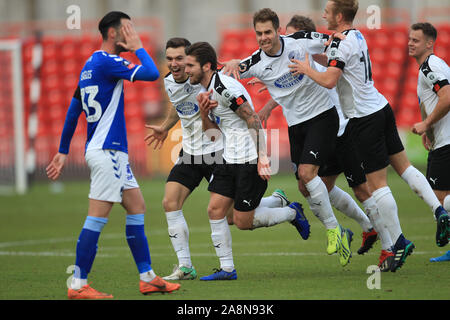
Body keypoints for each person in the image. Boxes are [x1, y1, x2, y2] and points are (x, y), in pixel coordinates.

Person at [288, 0, 450, 271]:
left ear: (339, 15)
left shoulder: (341, 43)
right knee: (404, 167)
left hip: (364, 119)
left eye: (327, 11)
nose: (324, 14)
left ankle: (398, 242)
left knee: (376, 186)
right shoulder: (356, 35)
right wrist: (314, 57)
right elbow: (337, 63)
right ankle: (438, 210)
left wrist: (305, 70)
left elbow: (329, 80)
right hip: (380, 106)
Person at [46, 11, 180, 298]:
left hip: (110, 152)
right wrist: (138, 46)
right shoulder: (107, 61)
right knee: (96, 217)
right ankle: (78, 285)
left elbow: (74, 109)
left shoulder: (89, 65)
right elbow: (152, 73)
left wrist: (62, 150)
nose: (130, 34)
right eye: (126, 30)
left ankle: (147, 277)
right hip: (107, 152)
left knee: (136, 206)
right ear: (112, 34)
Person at [144, 38, 291, 280]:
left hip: (218, 152)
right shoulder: (171, 81)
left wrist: (262, 154)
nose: (174, 64)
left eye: (180, 59)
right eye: (169, 59)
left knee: (235, 217)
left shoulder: (211, 83)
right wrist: (165, 126)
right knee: (170, 202)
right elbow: (177, 105)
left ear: (196, 63)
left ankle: (275, 202)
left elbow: (243, 106)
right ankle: (186, 267)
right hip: (190, 153)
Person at [222, 8, 353, 267]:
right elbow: (228, 76)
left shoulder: (300, 40)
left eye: (268, 32)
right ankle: (344, 231)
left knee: (307, 174)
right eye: (258, 33)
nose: (263, 37)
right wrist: (231, 65)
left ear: (278, 30)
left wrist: (334, 60)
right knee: (305, 186)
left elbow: (335, 40)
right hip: (296, 126)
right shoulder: (256, 61)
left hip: (323, 116)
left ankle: (333, 229)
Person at [255, 15, 386, 263]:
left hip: (337, 131)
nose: (289, 45)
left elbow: (318, 81)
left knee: (357, 187)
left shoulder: (328, 64)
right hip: (314, 132)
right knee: (311, 187)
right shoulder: (298, 65)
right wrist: (271, 98)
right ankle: (364, 227)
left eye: (293, 38)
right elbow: (293, 83)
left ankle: (388, 237)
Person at [184, 41, 311, 280]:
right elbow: (214, 134)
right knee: (217, 211)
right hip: (227, 157)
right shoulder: (208, 92)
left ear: (207, 65)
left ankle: (291, 212)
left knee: (242, 221)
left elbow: (252, 118)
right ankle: (227, 270)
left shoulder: (224, 88)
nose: (186, 69)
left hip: (248, 159)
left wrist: (263, 158)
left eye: (190, 65)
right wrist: (203, 113)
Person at [408, 22, 450, 260]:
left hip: (447, 143)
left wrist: (425, 123)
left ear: (429, 43)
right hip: (442, 140)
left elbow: (447, 97)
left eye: (416, 40)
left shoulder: (430, 67)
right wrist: (429, 129)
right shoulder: (430, 66)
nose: (410, 44)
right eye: (409, 39)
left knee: (439, 201)